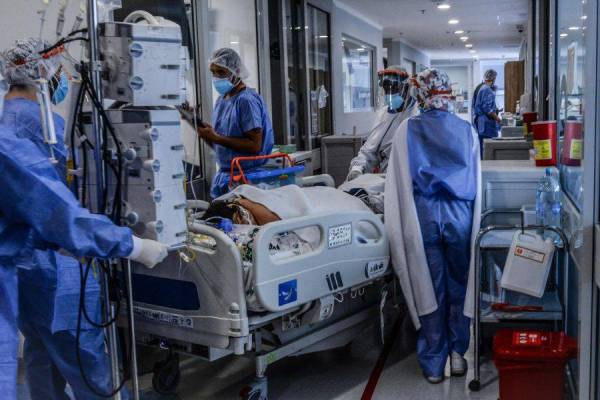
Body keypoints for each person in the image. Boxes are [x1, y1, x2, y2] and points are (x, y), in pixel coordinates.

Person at [0, 38, 169, 399]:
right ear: (43, 71)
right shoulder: (37, 130)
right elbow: (60, 211)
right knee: (89, 366)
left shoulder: (9, 122)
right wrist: (133, 245)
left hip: (22, 273)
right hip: (56, 270)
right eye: (59, 69)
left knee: (41, 355)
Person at [384, 69, 481, 384]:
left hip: (423, 216)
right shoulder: (467, 131)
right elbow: (478, 182)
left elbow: (398, 183)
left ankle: (433, 362)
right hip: (460, 216)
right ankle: (457, 354)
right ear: (447, 93)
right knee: (459, 283)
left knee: (429, 285)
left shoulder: (405, 131)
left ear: (420, 94)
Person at [185, 48, 274, 199]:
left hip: (248, 181)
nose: (216, 78)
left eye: (221, 72)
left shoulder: (246, 100)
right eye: (213, 72)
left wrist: (217, 138)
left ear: (236, 71)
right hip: (226, 178)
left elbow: (254, 145)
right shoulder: (222, 100)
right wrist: (195, 123)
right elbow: (222, 145)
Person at [346, 66, 417, 181]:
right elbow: (369, 151)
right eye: (386, 89)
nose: (389, 94)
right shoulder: (384, 114)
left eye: (394, 89)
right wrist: (357, 169)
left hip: (412, 180)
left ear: (407, 88)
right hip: (386, 179)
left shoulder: (418, 114)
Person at [472, 69, 501, 156]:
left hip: (481, 122)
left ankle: (482, 164)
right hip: (486, 123)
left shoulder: (481, 88)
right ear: (493, 79)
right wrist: (497, 118)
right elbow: (487, 108)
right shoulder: (487, 90)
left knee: (482, 146)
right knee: (488, 147)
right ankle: (487, 165)